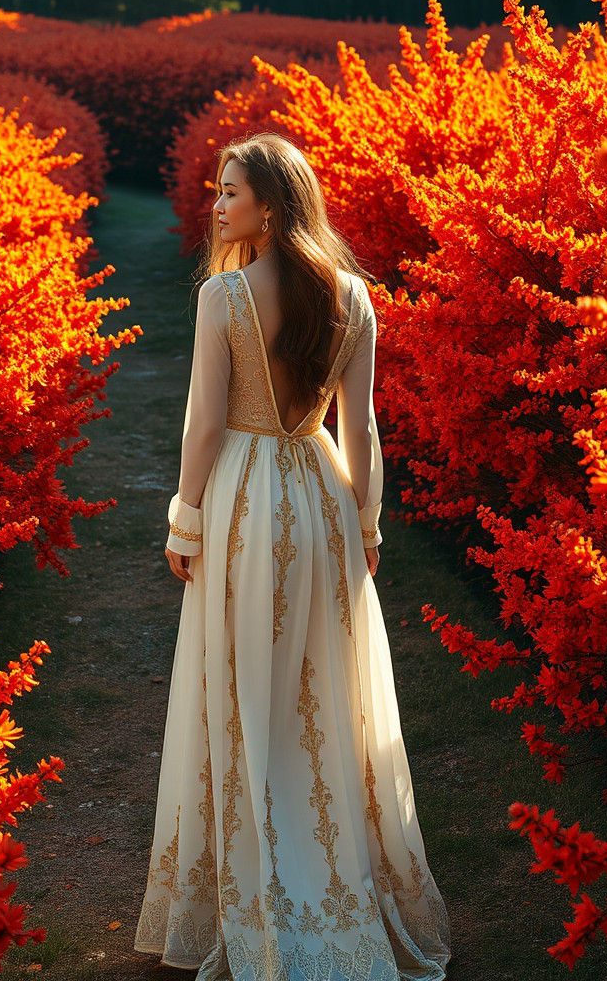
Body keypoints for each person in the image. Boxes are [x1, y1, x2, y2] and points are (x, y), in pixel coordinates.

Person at [133, 132, 452, 980]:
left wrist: (183, 522)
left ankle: (251, 889)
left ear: (270, 206)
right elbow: (365, 431)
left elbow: (203, 427)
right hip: (319, 496)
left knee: (239, 683)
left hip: (243, 496)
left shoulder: (224, 298)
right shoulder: (352, 295)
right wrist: (370, 526)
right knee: (318, 686)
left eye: (230, 192)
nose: (217, 204)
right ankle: (329, 875)